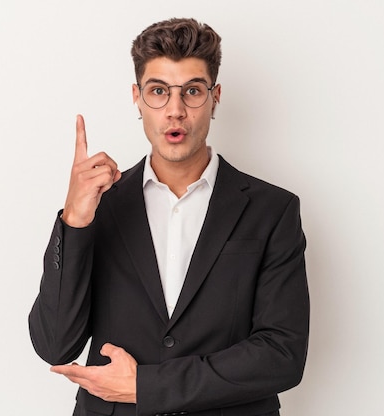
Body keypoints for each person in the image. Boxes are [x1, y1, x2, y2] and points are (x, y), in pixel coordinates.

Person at [29, 17, 309, 416]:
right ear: (137, 98)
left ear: (215, 97)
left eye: (192, 91)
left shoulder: (272, 210)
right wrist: (74, 220)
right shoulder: (100, 205)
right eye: (158, 91)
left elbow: (282, 354)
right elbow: (54, 344)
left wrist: (148, 387)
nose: (175, 111)